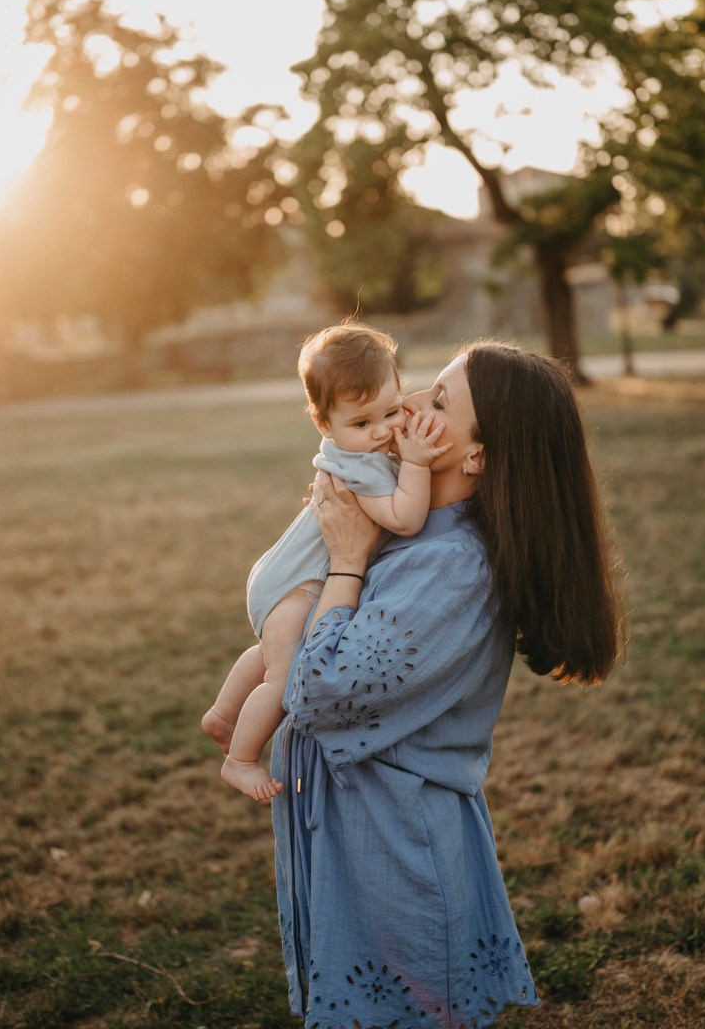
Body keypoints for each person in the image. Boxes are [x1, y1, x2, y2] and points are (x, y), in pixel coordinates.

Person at [270, 340, 626, 1029]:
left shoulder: (453, 568)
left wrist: (345, 561)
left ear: (478, 456)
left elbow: (315, 693)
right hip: (362, 835)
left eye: (437, 404)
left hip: (397, 850)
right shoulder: (411, 532)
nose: (404, 407)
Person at [202, 323, 450, 801]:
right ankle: (239, 759)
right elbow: (403, 518)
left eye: (392, 412)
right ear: (323, 425)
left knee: (269, 653)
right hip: (296, 584)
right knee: (286, 672)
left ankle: (224, 714)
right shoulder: (362, 466)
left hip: (280, 574)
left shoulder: (359, 450)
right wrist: (416, 464)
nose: (382, 432)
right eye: (361, 423)